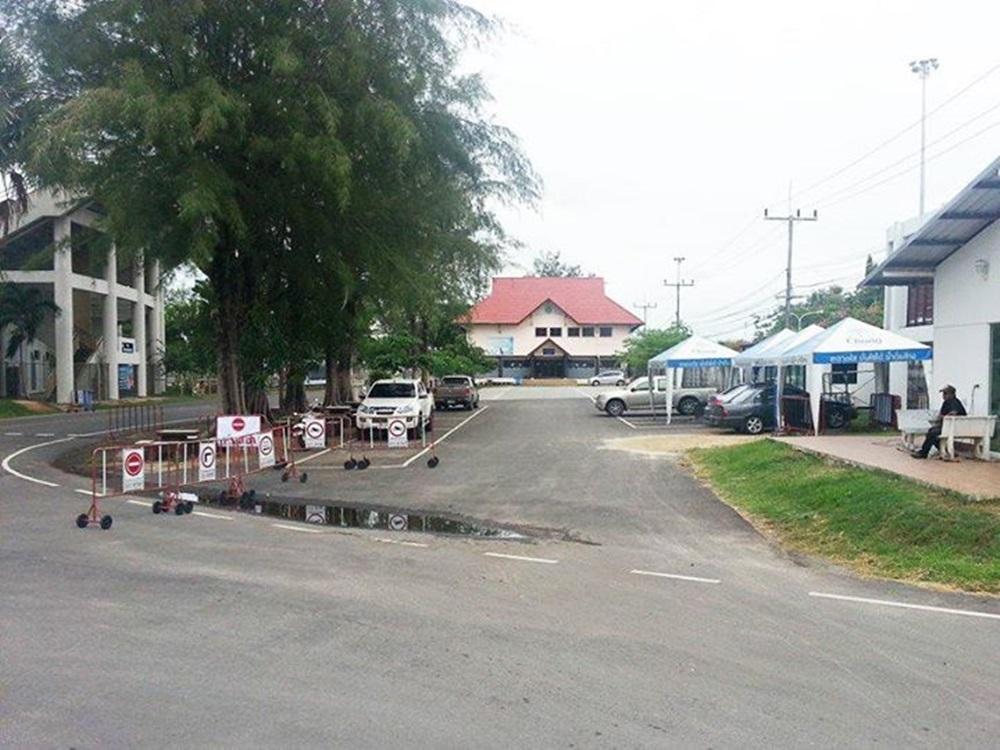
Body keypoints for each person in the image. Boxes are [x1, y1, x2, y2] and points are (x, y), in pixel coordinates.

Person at [911, 385, 966, 459]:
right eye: (943, 394)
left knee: (932, 433)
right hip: (950, 428)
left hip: (953, 428)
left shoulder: (953, 402)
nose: (943, 396)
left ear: (952, 394)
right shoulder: (948, 402)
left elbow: (953, 413)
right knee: (932, 431)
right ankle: (944, 450)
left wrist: (944, 417)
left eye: (945, 393)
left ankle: (924, 453)